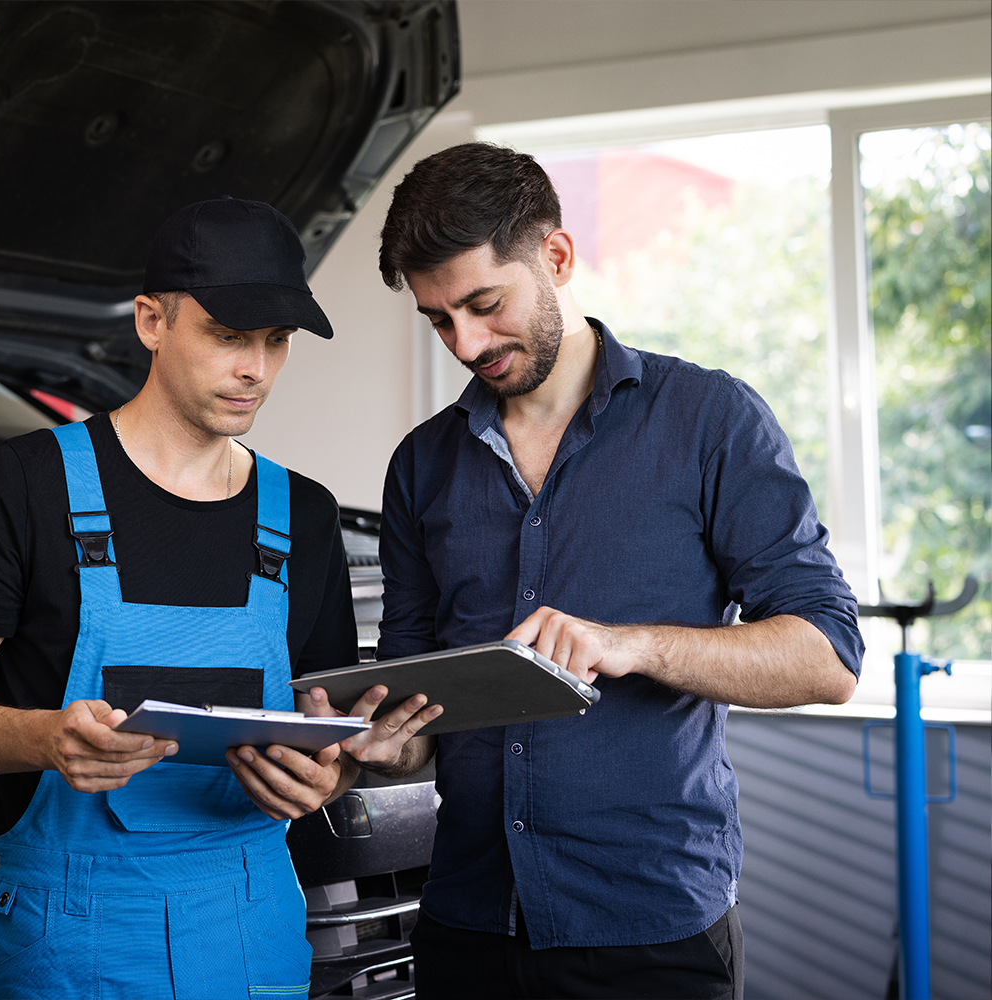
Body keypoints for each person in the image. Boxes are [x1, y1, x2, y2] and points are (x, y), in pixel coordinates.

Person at [312, 143, 865, 1000]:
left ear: (558, 259)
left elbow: (827, 658)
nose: (465, 342)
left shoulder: (709, 420)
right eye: (437, 320)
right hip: (466, 924)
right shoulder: (420, 466)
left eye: (484, 305)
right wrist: (380, 746)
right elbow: (414, 719)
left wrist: (629, 644)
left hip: (651, 929)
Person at [0, 197, 362, 1000]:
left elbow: (329, 723)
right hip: (68, 936)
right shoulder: (27, 484)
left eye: (276, 342)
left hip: (250, 935)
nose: (256, 369)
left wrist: (330, 778)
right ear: (151, 321)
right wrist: (43, 738)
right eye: (227, 335)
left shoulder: (304, 516)